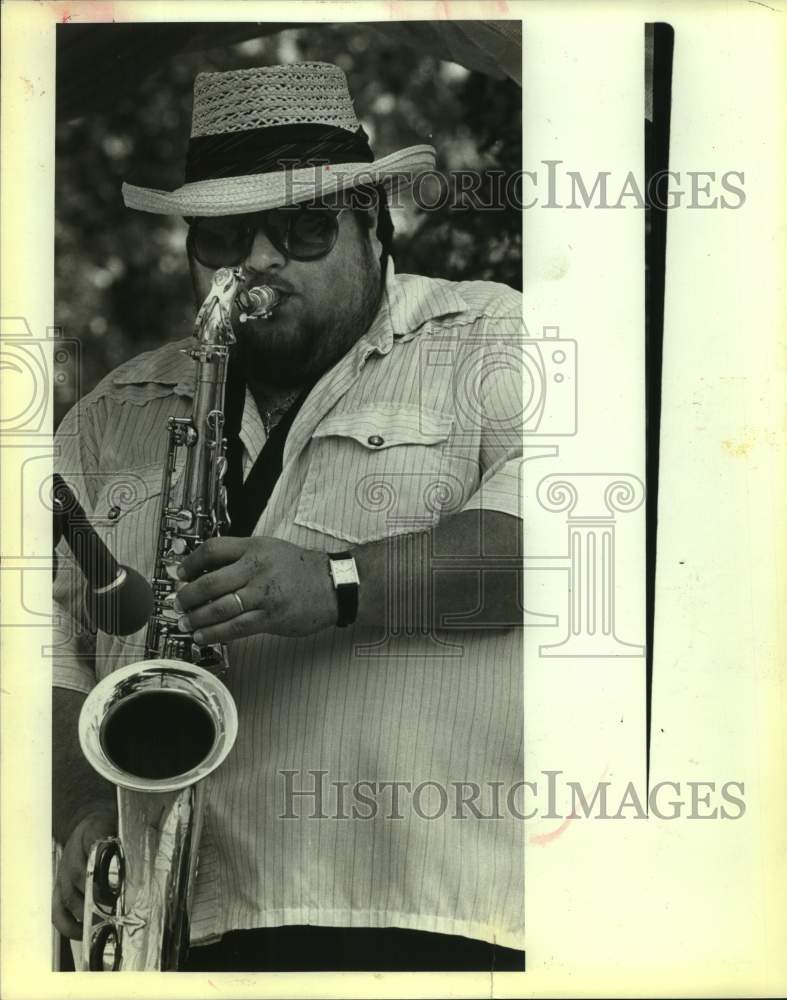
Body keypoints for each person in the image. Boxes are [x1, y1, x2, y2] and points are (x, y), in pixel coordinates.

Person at [52, 61, 525, 972]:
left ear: (373, 225)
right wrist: (77, 812)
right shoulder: (117, 409)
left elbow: (566, 553)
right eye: (224, 236)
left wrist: (336, 583)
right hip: (174, 925)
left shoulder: (495, 339)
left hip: (425, 909)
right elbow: (40, 641)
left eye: (302, 229)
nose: (257, 261)